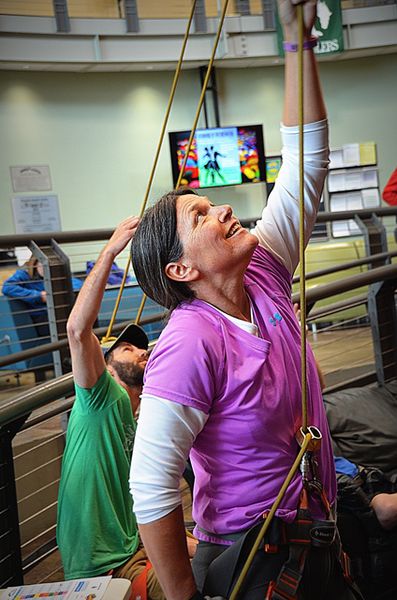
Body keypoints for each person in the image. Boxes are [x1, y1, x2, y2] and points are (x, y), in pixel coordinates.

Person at [129, 0, 363, 598]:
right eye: (201, 215)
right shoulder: (188, 343)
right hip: (251, 557)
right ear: (179, 268)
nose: (225, 208)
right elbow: (153, 487)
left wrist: (295, 41)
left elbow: (306, 165)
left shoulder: (261, 270)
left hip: (310, 532)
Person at [57, 217, 197, 600]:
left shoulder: (141, 417)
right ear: (105, 363)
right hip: (103, 566)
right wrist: (110, 251)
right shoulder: (100, 400)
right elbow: (76, 331)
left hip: (135, 550)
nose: (141, 351)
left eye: (141, 346)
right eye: (126, 348)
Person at [2, 255, 83, 336]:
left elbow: (77, 284)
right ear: (35, 263)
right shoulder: (24, 274)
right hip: (41, 318)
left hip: (58, 313)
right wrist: (39, 296)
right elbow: (7, 287)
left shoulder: (56, 274)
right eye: (43, 264)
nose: (47, 269)